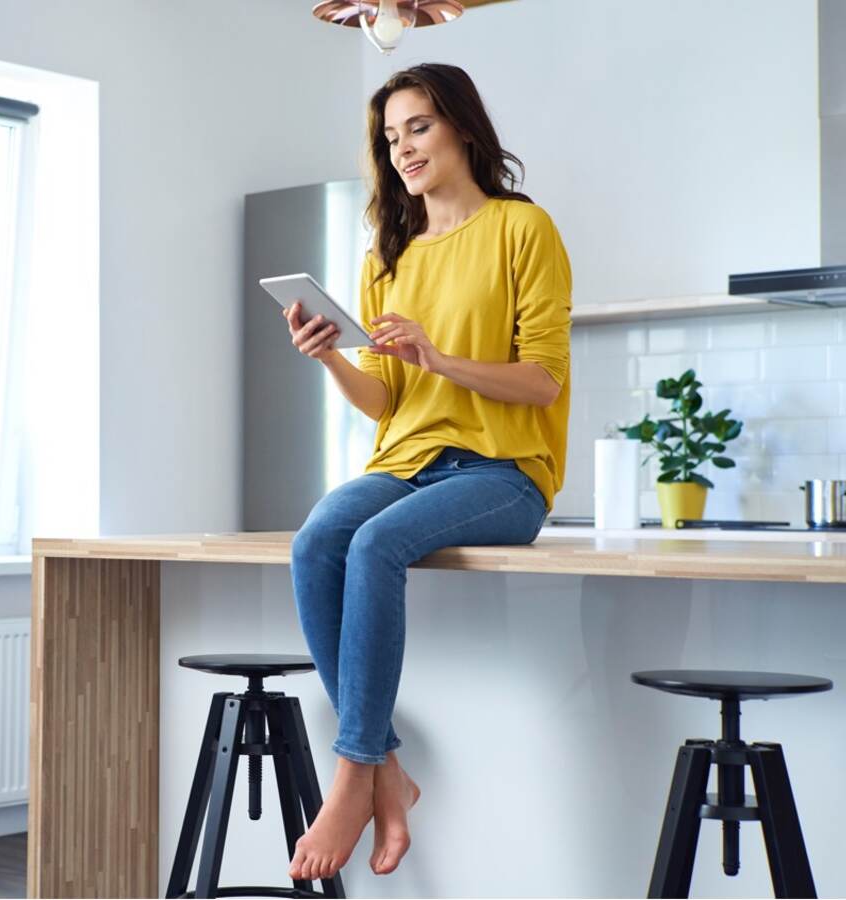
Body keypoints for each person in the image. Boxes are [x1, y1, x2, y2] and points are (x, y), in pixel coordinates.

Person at [280, 63, 572, 882]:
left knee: (376, 547)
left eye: (417, 127)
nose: (402, 147)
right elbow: (386, 403)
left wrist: (439, 356)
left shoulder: (524, 229)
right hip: (407, 458)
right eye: (390, 135)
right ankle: (389, 768)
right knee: (318, 541)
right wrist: (331, 357)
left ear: (461, 127)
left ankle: (353, 775)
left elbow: (543, 379)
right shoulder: (388, 254)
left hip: (505, 470)